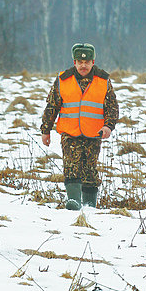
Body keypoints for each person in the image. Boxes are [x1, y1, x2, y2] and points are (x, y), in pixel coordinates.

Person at [41, 43, 118, 210]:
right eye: (80, 62)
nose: (83, 65)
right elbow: (52, 106)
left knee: (90, 168)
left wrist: (108, 127)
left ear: (93, 62)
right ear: (74, 62)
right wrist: (45, 130)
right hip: (70, 132)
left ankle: (90, 205)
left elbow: (112, 107)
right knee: (71, 165)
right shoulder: (63, 80)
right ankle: (74, 201)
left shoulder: (104, 81)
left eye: (87, 62)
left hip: (94, 132)